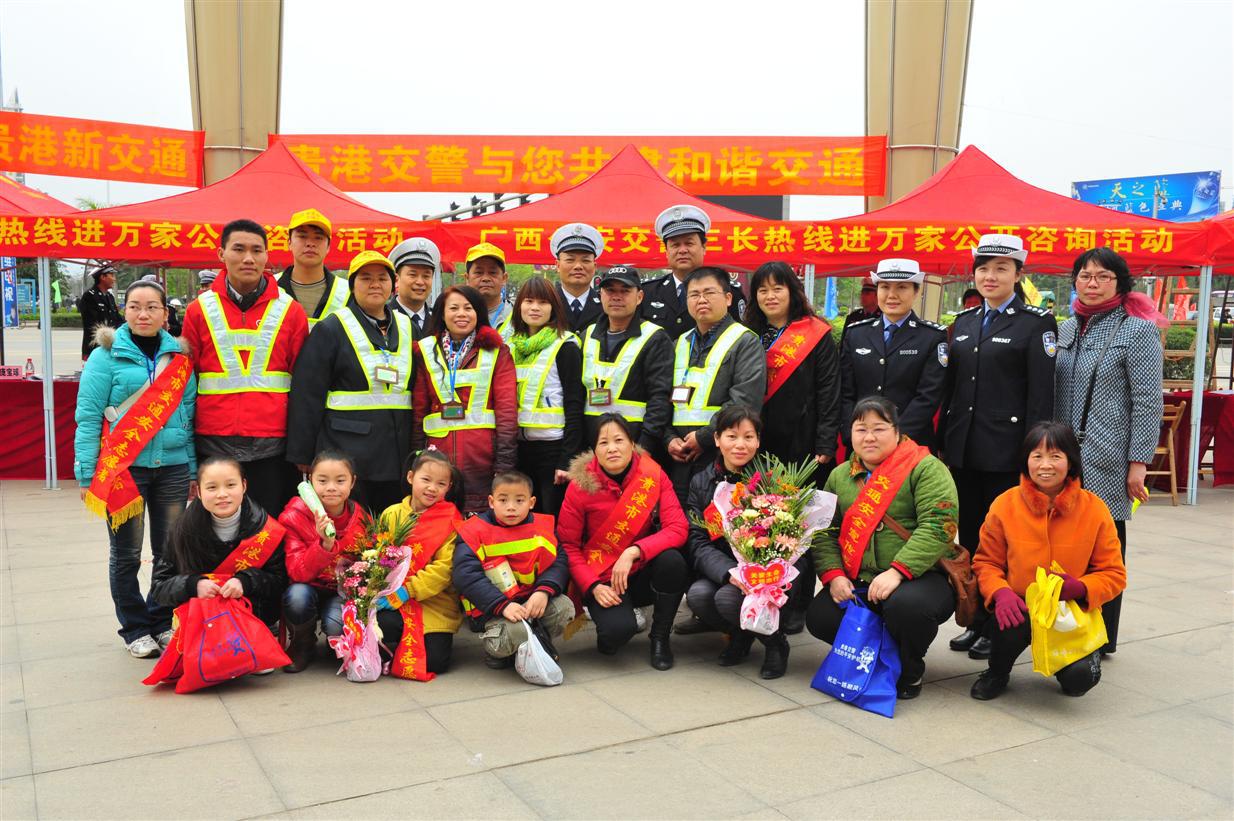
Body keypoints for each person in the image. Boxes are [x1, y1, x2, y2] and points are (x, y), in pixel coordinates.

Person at [939, 234, 1056, 660]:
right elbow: (952, 392)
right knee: (970, 537)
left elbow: (1041, 397)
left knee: (1002, 544)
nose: (990, 277)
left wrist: (1033, 456)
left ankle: (997, 625)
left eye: (1001, 269)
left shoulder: (1036, 324)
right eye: (983, 269)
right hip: (964, 452)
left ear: (1019, 275)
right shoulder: (966, 322)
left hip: (1006, 452)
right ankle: (975, 618)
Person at [806, 397, 959, 700]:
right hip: (860, 578)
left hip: (920, 577)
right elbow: (824, 531)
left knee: (906, 608)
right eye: (861, 429)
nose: (869, 437)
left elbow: (939, 525)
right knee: (820, 617)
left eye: (879, 428)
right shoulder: (840, 474)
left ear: (898, 431)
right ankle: (883, 657)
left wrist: (898, 571)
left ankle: (910, 666)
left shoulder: (925, 468)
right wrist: (834, 575)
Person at [75, 278, 196, 658]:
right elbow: (89, 417)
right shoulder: (104, 356)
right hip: (124, 469)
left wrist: (192, 469)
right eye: (134, 306)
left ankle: (161, 621)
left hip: (174, 467)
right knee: (125, 553)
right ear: (124, 311)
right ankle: (134, 627)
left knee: (169, 551)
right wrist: (86, 473)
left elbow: (189, 419)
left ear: (165, 313)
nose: (142, 314)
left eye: (151, 307)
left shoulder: (179, 359)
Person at [1054, 247, 1163, 655]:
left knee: (1104, 547)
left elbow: (1149, 400)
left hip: (1108, 458)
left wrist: (1138, 463)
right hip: (1060, 460)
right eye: (1084, 276)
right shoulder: (1064, 330)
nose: (1092, 283)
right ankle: (1064, 623)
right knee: (1063, 543)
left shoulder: (1136, 331)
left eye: (1103, 276)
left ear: (1120, 282)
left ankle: (1102, 636)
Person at [970, 422, 1127, 699]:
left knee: (1079, 682)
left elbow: (1114, 573)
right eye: (1037, 456)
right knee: (1008, 623)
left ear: (1071, 462)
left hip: (1070, 613)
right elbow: (986, 562)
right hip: (1020, 606)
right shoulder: (1005, 504)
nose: (1045, 465)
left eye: (1055, 456)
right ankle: (997, 671)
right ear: (1026, 461)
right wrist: (1001, 592)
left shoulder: (1095, 509)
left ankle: (1074, 663)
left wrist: (1080, 588)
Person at [180, 218, 309, 517]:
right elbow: (187, 381)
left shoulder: (291, 311)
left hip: (274, 444)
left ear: (267, 256)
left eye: (257, 250)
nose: (248, 258)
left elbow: (303, 384)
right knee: (217, 531)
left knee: (272, 530)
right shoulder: (198, 310)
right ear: (221, 253)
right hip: (213, 439)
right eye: (238, 249)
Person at [743, 261, 839, 632]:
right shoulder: (748, 333)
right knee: (758, 524)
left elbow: (830, 391)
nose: (770, 296)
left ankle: (797, 601)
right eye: (762, 289)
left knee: (800, 526)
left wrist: (826, 440)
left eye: (777, 288)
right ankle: (759, 592)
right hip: (757, 444)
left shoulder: (816, 334)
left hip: (804, 445)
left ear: (792, 291)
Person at [287, 250, 413, 514]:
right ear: (352, 285)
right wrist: (303, 454)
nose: (375, 284)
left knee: (392, 525)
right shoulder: (331, 328)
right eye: (366, 278)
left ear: (393, 285)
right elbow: (307, 392)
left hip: (398, 450)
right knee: (354, 526)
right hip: (348, 452)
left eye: (382, 278)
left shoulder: (406, 326)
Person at [559, 414, 689, 669]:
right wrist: (593, 586)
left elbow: (678, 527)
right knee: (616, 634)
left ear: (632, 443)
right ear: (594, 449)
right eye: (603, 442)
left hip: (640, 569)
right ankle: (612, 629)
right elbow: (568, 545)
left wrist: (634, 551)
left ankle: (660, 638)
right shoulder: (580, 486)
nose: (612, 448)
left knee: (672, 561)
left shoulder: (652, 474)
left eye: (619, 440)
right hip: (603, 575)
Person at [685, 405, 796, 678]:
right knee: (699, 596)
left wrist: (761, 573)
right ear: (717, 439)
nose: (740, 445)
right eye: (732, 436)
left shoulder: (774, 480)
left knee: (725, 599)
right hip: (727, 569)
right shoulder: (702, 482)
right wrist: (730, 572)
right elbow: (698, 541)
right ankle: (740, 635)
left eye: (748, 437)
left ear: (758, 441)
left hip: (770, 574)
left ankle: (775, 643)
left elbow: (791, 536)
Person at [360, 449, 467, 679]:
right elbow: (375, 554)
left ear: (448, 487)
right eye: (426, 480)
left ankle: (389, 652)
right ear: (411, 478)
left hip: (433, 602)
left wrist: (408, 591)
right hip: (392, 600)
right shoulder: (391, 514)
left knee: (435, 662)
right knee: (380, 622)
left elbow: (444, 569)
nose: (432, 488)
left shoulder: (451, 519)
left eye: (441, 483)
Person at [452, 471, 575, 669]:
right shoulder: (473, 530)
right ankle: (500, 651)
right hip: (492, 609)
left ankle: (532, 643)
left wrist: (543, 591)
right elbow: (465, 575)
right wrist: (502, 605)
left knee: (564, 608)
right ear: (491, 502)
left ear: (532, 502)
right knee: (514, 632)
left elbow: (558, 562)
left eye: (519, 500)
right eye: (503, 500)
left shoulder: (542, 526)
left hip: (530, 600)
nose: (511, 507)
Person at [412, 285, 517, 513]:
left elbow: (507, 413)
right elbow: (419, 412)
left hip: (482, 462)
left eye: (468, 308)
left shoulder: (498, 352)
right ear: (442, 314)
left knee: (477, 529)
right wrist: (418, 459)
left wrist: (505, 465)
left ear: (478, 313)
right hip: (437, 462)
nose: (461, 314)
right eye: (454, 308)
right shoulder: (425, 351)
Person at [152, 457, 289, 633]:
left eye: (231, 485)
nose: (222, 494)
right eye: (212, 487)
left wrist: (246, 582)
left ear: (244, 486)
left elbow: (280, 582)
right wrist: (192, 585)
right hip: (201, 621)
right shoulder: (182, 530)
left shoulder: (265, 529)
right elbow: (159, 587)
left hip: (253, 619)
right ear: (199, 492)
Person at [666, 266, 767, 501]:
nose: (701, 300)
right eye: (694, 294)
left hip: (722, 456)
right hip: (678, 455)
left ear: (728, 298)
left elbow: (744, 400)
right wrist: (668, 437)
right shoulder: (679, 343)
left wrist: (703, 438)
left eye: (709, 293)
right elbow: (662, 395)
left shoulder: (745, 342)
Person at [840, 259, 948, 450]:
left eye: (902, 287)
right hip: (863, 445)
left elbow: (928, 396)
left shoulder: (932, 337)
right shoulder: (856, 333)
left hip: (910, 444)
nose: (892, 295)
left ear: (917, 291)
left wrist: (896, 437)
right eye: (884, 287)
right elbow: (845, 392)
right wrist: (854, 434)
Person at [278, 450, 370, 672]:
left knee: (335, 624)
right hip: (308, 586)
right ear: (310, 480)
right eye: (322, 480)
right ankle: (303, 643)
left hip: (339, 590)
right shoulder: (294, 516)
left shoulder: (361, 518)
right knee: (297, 597)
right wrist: (324, 545)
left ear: (352, 482)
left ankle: (335, 640)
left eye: (340, 481)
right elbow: (297, 572)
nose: (331, 487)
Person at [579, 264, 674, 455]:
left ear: (639, 297)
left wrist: (643, 448)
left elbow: (660, 398)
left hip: (636, 446)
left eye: (625, 291)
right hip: (591, 448)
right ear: (601, 295)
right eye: (610, 290)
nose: (616, 296)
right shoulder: (586, 335)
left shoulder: (654, 337)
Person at [508, 276, 583, 515]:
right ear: (519, 305)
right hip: (518, 449)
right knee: (522, 519)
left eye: (543, 302)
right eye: (528, 301)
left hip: (553, 449)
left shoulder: (565, 346)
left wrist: (567, 459)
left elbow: (574, 404)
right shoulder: (510, 346)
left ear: (554, 308)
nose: (535, 308)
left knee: (551, 518)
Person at [642, 204, 743, 338]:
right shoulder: (647, 292)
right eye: (675, 245)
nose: (682, 250)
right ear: (666, 252)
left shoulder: (727, 290)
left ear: (703, 247)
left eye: (689, 243)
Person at [277, 208, 349, 329]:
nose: (310, 243)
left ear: (328, 247)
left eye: (318, 238)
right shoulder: (269, 287)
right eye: (302, 236)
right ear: (289, 243)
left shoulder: (348, 292)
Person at [550, 222, 604, 333]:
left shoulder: (606, 304)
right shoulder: (546, 302)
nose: (578, 266)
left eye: (585, 260)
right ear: (558, 265)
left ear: (594, 267)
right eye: (570, 260)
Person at [387, 236, 439, 336]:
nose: (420, 282)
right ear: (396, 279)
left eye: (426, 276)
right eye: (413, 275)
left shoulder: (439, 321)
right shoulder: (384, 318)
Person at [464, 242, 514, 341]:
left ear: (504, 278)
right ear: (467, 278)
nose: (486, 278)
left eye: (492, 272)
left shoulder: (518, 317)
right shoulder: (457, 317)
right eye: (479, 272)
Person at [78, 263, 122, 360]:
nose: (114, 279)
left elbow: (116, 318)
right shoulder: (89, 296)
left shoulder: (109, 297)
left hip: (112, 346)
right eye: (112, 275)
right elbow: (92, 324)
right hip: (95, 347)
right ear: (103, 277)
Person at [839, 277, 880, 347]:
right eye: (862, 293)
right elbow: (844, 343)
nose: (862, 296)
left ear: (877, 296)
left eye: (867, 294)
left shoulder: (883, 316)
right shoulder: (853, 316)